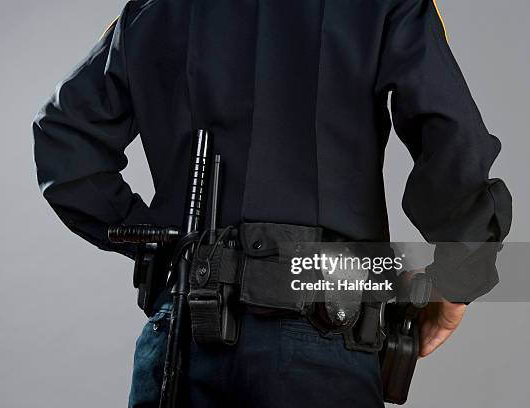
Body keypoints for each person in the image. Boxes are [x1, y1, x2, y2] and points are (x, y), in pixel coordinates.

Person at [33, 0, 512, 407]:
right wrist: (457, 278)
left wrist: (164, 246)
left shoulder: (154, 8)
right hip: (319, 332)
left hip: (180, 334)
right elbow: (453, 137)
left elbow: (65, 137)